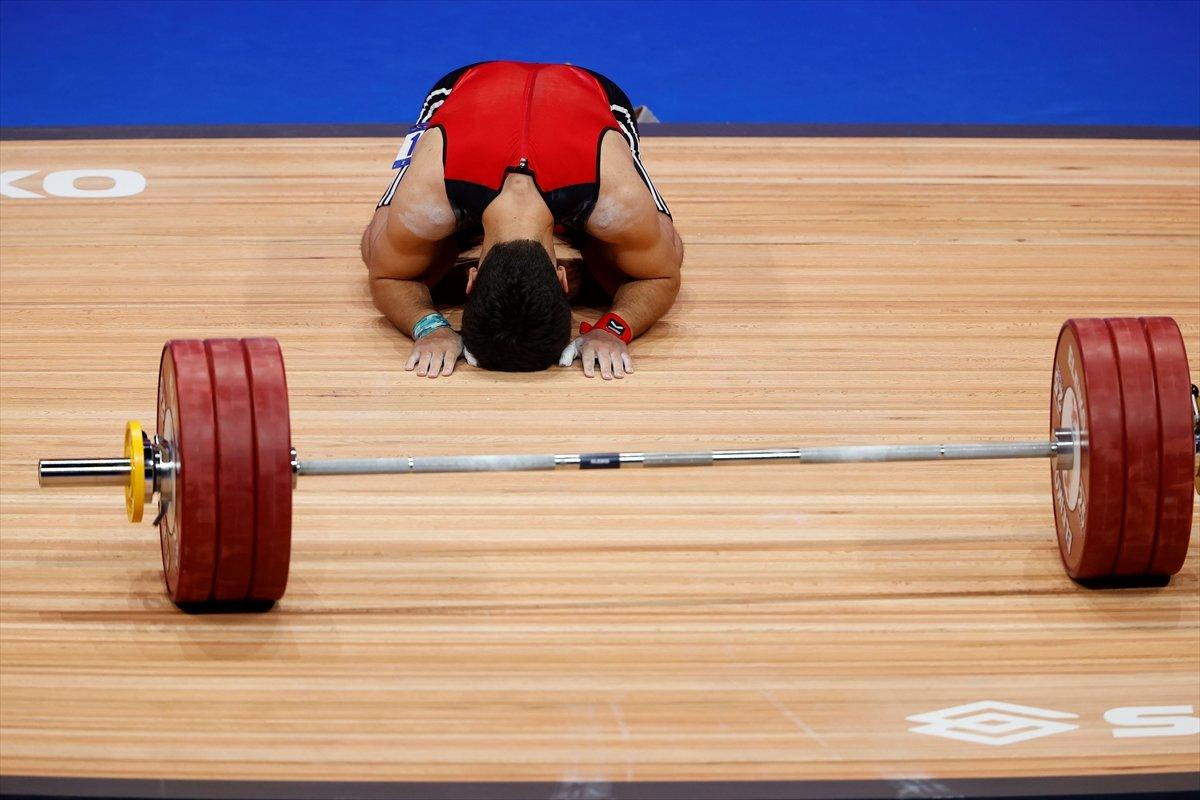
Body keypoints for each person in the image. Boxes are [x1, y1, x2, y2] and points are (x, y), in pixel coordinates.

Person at [360, 61, 683, 380]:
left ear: (471, 279)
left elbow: (663, 276)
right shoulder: (429, 199)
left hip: (574, 98)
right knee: (389, 248)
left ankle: (486, 227)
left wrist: (612, 330)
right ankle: (558, 226)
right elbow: (385, 276)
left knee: (398, 248)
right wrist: (613, 326)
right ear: (563, 279)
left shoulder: (615, 200)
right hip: (480, 93)